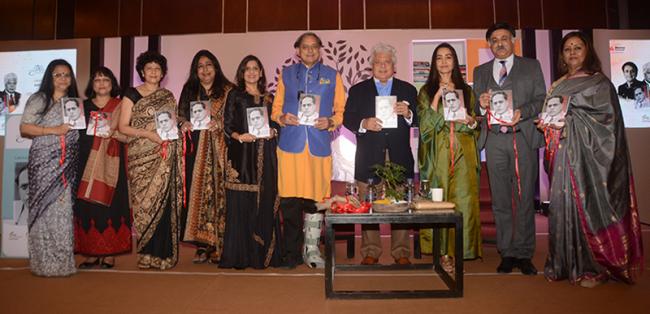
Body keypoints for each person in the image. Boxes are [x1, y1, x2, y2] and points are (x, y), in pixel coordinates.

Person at [538, 31, 643, 288]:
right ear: (562, 56)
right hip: (563, 156)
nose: (572, 52)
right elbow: (551, 113)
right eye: (567, 49)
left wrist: (569, 121)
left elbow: (607, 122)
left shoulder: (599, 83)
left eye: (578, 47)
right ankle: (565, 262)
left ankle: (594, 267)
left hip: (589, 161)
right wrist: (546, 124)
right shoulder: (558, 84)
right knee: (563, 207)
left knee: (589, 209)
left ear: (588, 52)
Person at [473, 22, 546, 275]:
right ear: (489, 44)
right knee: (501, 199)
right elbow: (474, 108)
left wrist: (521, 112)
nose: (500, 43)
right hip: (494, 140)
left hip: (522, 137)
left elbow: (541, 99)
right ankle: (507, 251)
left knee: (524, 197)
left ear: (513, 40)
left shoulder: (531, 66)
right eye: (494, 39)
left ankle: (524, 253)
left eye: (504, 38)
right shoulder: (480, 71)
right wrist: (480, 104)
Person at [271, 32, 345, 269]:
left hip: (318, 146)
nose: (310, 50)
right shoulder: (287, 75)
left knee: (316, 200)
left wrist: (331, 122)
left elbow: (340, 111)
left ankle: (312, 249)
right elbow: (275, 110)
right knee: (290, 201)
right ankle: (292, 252)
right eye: (305, 47)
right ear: (297, 50)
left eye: (314, 47)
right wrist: (282, 117)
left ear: (320, 49)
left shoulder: (332, 76)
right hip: (290, 147)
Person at [343, 43, 417, 266]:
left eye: (387, 62)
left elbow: (419, 119)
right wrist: (364, 123)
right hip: (368, 157)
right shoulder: (358, 90)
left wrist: (409, 113)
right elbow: (348, 118)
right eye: (378, 62)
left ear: (394, 66)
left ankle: (401, 251)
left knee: (401, 205)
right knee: (368, 205)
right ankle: (371, 250)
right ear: (371, 66)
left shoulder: (408, 90)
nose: (382, 66)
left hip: (399, 156)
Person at [417, 42, 481, 271]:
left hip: (464, 152)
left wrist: (471, 121)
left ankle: (461, 250)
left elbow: (475, 123)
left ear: (455, 61)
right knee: (440, 202)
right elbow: (424, 126)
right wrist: (437, 96)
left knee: (463, 200)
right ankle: (443, 253)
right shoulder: (425, 91)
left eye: (449, 57)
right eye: (439, 58)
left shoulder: (468, 90)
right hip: (439, 154)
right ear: (434, 64)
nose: (444, 62)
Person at [118, 51, 183, 270]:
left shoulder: (168, 95)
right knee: (143, 204)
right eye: (149, 69)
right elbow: (123, 127)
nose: (153, 72)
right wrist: (148, 135)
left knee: (163, 204)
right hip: (140, 156)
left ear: (163, 73)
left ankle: (162, 255)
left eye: (158, 69)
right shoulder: (131, 94)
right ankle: (145, 253)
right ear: (142, 72)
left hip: (164, 156)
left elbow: (173, 125)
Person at [19, 59, 80, 277]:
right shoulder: (40, 99)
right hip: (43, 161)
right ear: (49, 77)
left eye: (66, 75)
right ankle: (44, 263)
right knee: (44, 209)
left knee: (63, 211)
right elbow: (24, 128)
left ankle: (63, 263)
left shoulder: (73, 103)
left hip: (67, 163)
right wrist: (54, 130)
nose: (63, 79)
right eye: (58, 75)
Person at [221, 55, 282, 269]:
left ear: (261, 72)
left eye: (255, 68)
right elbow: (226, 124)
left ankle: (263, 255)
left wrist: (274, 130)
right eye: (247, 68)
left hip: (266, 155)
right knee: (242, 204)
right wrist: (239, 136)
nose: (251, 72)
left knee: (265, 199)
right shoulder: (235, 95)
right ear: (241, 72)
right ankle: (241, 256)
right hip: (242, 156)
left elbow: (277, 124)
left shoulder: (269, 98)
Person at [177, 50, 233, 264]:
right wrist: (184, 123)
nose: (205, 69)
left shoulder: (228, 90)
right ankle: (202, 245)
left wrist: (221, 124)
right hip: (195, 151)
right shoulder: (189, 89)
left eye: (209, 64)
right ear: (195, 70)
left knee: (221, 195)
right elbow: (180, 114)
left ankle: (220, 243)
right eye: (200, 66)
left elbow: (236, 118)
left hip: (221, 150)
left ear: (216, 67)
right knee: (197, 193)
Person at [74, 66, 131, 269]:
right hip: (85, 161)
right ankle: (90, 253)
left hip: (112, 163)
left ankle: (109, 254)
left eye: (106, 79)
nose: (101, 83)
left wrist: (114, 135)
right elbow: (74, 133)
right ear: (92, 84)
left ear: (112, 83)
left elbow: (128, 135)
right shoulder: (83, 106)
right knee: (87, 205)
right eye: (97, 80)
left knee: (110, 205)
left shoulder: (121, 105)